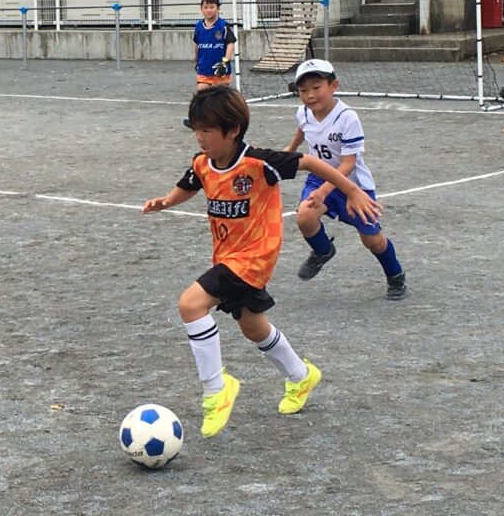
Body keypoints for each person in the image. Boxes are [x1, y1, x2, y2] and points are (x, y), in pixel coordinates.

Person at [143, 86, 381, 438]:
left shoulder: (260, 163)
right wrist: (166, 201)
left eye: (207, 130)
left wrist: (352, 190)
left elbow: (309, 162)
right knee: (253, 326)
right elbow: (190, 184)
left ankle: (216, 390)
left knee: (191, 305)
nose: (200, 137)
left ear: (233, 130)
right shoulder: (202, 163)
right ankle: (301, 376)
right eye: (196, 130)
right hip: (228, 257)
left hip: (253, 258)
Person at [282, 59, 407, 300]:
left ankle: (395, 274)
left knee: (373, 241)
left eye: (316, 87)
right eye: (303, 90)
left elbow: (348, 163)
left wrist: (325, 191)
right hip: (319, 179)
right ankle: (323, 251)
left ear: (334, 85)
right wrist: (288, 150)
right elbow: (303, 129)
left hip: (353, 185)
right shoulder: (304, 112)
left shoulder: (347, 117)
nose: (310, 95)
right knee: (305, 216)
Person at [182, 0, 236, 129]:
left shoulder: (223, 26)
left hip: (219, 70)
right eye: (206, 7)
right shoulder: (199, 27)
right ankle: (196, 120)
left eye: (212, 7)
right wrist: (196, 59)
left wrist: (225, 61)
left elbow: (230, 44)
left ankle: (226, 121)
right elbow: (197, 44)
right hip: (204, 69)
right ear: (201, 9)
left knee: (221, 98)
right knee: (201, 95)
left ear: (218, 9)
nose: (209, 10)